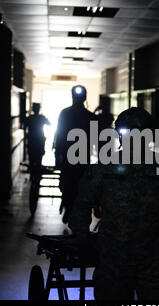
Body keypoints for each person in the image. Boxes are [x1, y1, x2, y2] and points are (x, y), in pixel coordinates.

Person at [69, 107, 159, 300]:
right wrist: (83, 239)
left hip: (149, 261)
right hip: (117, 260)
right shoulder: (104, 167)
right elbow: (82, 205)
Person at [54, 85, 97, 224]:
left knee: (77, 185)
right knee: (69, 184)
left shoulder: (85, 116)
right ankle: (68, 206)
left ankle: (71, 208)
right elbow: (59, 134)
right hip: (70, 156)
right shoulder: (70, 114)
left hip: (80, 157)